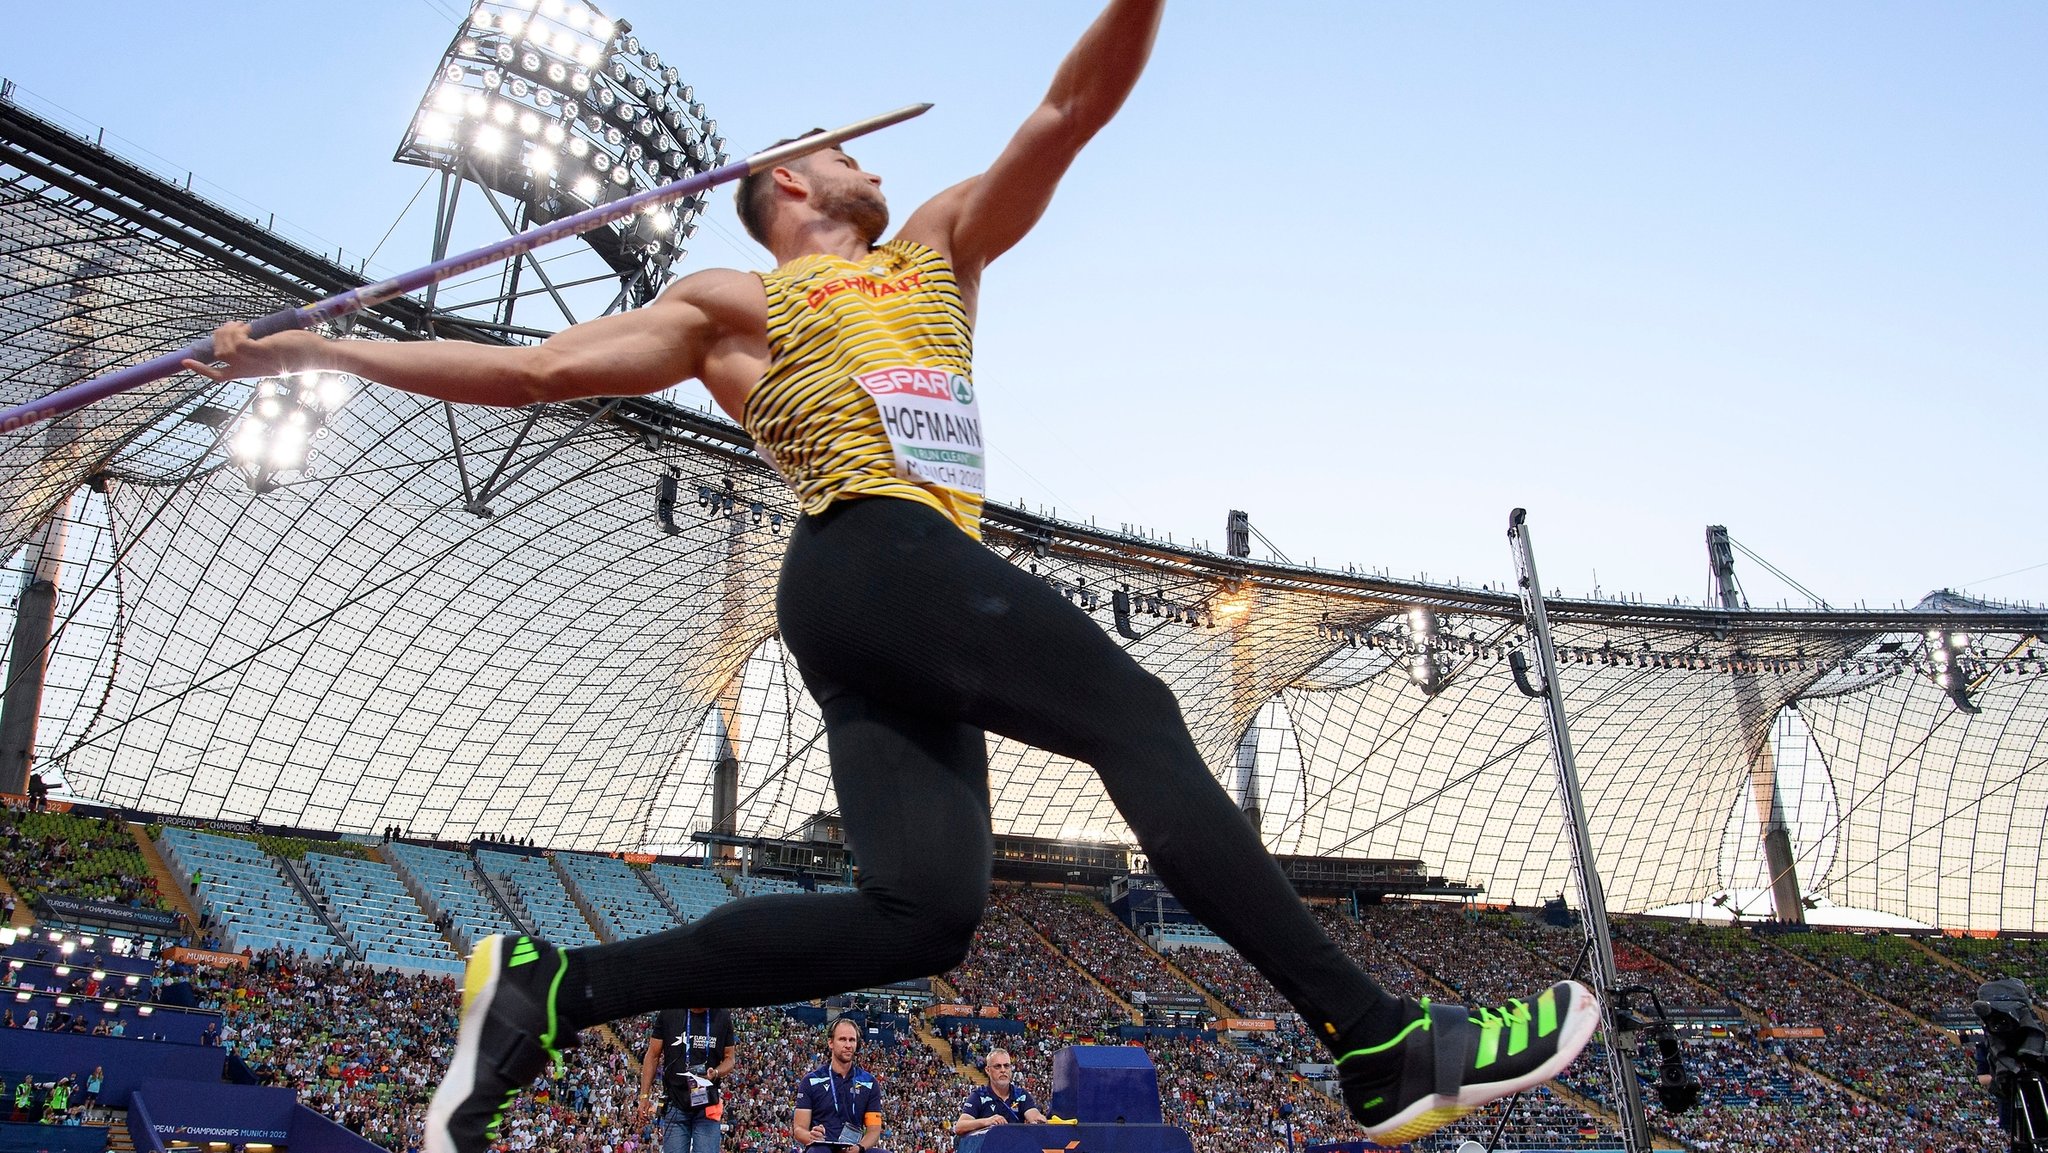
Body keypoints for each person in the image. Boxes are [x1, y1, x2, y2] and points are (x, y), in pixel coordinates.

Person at [189, 3, 1597, 1151]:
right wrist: (312, 350)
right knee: (1141, 723)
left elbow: (1069, 113)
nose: (868, 156)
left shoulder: (931, 248)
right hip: (875, 551)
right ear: (791, 184)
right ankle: (1379, 1039)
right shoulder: (737, 304)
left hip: (884, 600)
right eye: (836, 149)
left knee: (923, 913)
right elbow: (538, 369)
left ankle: (558, 990)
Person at [640, 1006, 735, 1153]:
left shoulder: (721, 1015)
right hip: (676, 1102)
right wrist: (644, 1096)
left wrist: (716, 1072)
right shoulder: (669, 1013)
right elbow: (652, 1055)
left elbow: (730, 1058)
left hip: (707, 1105)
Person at [792, 1019, 881, 1151]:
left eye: (852, 1040)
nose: (848, 1045)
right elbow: (799, 1129)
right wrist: (811, 1136)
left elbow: (874, 1130)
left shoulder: (869, 1083)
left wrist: (860, 1148)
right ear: (830, 1043)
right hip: (823, 1146)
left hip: (854, 1148)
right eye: (842, 1039)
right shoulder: (811, 1081)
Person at [953, 1048, 1045, 1142]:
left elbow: (1033, 1115)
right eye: (997, 1066)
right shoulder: (979, 1096)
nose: (1003, 1070)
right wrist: (987, 1121)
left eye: (1006, 1066)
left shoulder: (1021, 1095)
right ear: (988, 1070)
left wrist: (1038, 1120)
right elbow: (960, 1127)